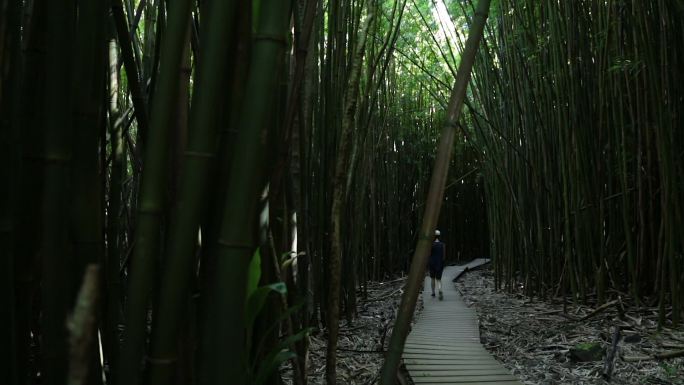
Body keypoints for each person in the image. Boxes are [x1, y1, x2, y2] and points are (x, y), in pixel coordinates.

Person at [428, 229, 445, 300]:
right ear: (439, 236)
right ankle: (440, 289)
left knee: (432, 278)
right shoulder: (442, 245)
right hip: (439, 263)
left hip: (432, 262)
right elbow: (444, 255)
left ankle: (433, 293)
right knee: (439, 279)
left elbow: (428, 254)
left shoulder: (431, 244)